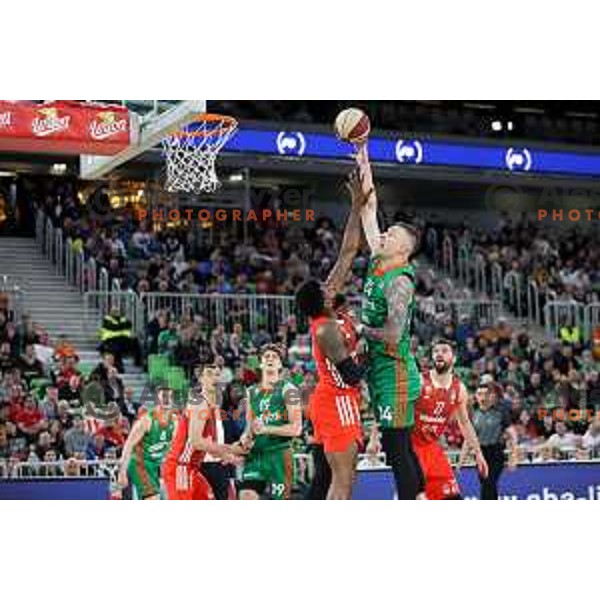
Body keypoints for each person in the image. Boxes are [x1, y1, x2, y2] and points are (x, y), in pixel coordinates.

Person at [354, 141, 424, 499]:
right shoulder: (381, 259)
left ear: (404, 249)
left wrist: (360, 329)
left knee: (397, 450)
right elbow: (369, 209)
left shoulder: (399, 280)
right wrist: (362, 155)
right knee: (402, 448)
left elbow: (395, 332)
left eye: (392, 234)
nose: (384, 233)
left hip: (395, 371)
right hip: (381, 368)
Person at [295, 169, 367, 500]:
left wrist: (355, 205)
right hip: (335, 400)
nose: (330, 285)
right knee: (344, 480)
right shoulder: (324, 328)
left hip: (339, 400)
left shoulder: (328, 306)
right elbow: (351, 374)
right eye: (324, 289)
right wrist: (374, 342)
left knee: (338, 479)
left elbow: (349, 251)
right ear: (319, 304)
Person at [411, 339, 488, 499]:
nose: (439, 354)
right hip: (411, 448)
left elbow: (465, 423)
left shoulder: (459, 388)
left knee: (452, 497)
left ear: (454, 358)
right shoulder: (418, 381)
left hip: (433, 448)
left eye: (444, 351)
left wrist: (478, 453)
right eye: (436, 351)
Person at [162, 358, 245, 500]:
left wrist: (228, 457)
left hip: (193, 467)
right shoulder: (199, 402)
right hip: (180, 466)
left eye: (217, 374)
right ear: (200, 379)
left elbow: (207, 445)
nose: (214, 378)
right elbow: (196, 441)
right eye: (209, 374)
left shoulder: (213, 408)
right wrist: (229, 449)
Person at [238, 344, 302, 500]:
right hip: (256, 456)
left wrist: (266, 429)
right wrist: (245, 439)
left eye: (275, 357)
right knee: (246, 495)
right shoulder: (251, 392)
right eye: (266, 356)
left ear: (280, 364)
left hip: (279, 454)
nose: (270, 359)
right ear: (260, 363)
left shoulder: (289, 389)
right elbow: (249, 428)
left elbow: (296, 428)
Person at [117, 388, 178, 500]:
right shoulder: (146, 421)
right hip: (139, 464)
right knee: (153, 499)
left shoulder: (175, 421)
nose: (167, 399)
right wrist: (122, 472)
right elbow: (128, 445)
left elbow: (175, 448)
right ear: (157, 399)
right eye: (163, 396)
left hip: (154, 466)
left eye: (169, 397)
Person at [462, 382, 519, 500]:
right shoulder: (473, 413)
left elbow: (513, 435)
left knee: (489, 482)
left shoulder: (501, 412)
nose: (483, 397)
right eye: (480, 394)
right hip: (480, 454)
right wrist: (462, 458)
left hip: (496, 452)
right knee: (486, 484)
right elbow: (469, 438)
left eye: (486, 394)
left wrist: (513, 457)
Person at [98, 306, 141, 372]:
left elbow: (129, 324)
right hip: (110, 341)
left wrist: (119, 326)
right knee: (116, 347)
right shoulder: (107, 319)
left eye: (117, 311)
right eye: (114, 311)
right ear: (110, 312)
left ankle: (138, 362)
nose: (115, 312)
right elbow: (112, 326)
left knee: (135, 341)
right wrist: (121, 326)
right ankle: (119, 366)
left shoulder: (122, 319)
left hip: (123, 340)